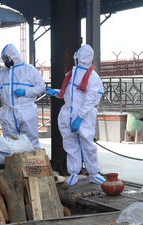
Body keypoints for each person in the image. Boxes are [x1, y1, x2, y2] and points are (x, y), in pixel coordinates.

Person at [45, 44, 105, 186]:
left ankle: (93, 173)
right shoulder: (71, 74)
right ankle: (73, 173)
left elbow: (90, 99)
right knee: (70, 145)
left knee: (88, 145)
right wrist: (56, 91)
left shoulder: (93, 78)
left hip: (83, 116)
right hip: (68, 113)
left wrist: (79, 117)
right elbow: (70, 93)